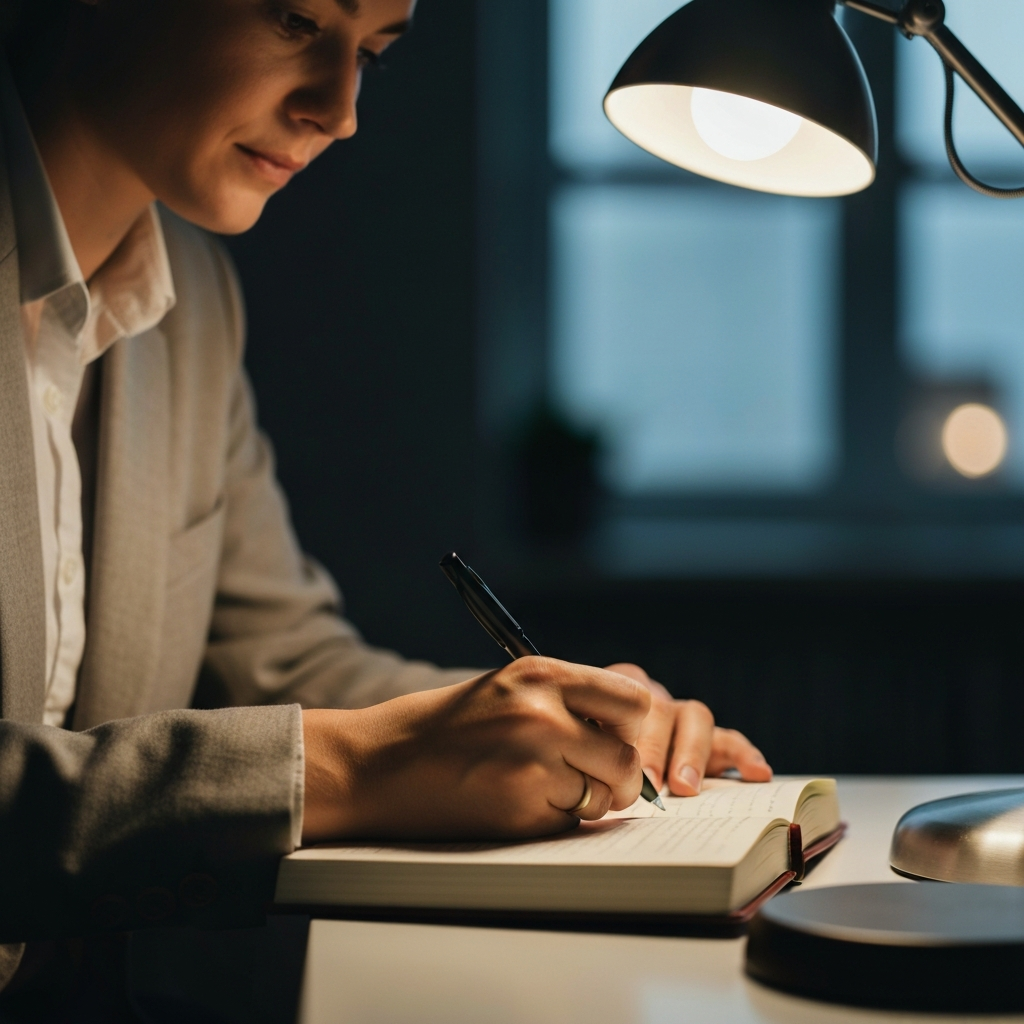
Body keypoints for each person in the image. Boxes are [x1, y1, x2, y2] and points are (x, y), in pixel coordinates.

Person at [0, 0, 772, 1004]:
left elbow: (277, 660)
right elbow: (315, 744)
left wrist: (550, 721)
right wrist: (355, 766)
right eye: (294, 20)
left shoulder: (189, 301)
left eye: (367, 51)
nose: (342, 107)